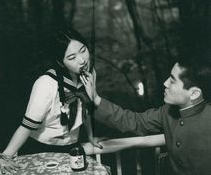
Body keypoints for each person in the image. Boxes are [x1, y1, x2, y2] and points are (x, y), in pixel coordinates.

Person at [80, 55, 211, 175]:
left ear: (194, 93)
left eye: (172, 80)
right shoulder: (167, 112)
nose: (165, 83)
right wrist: (95, 98)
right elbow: (132, 121)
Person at [0, 27, 102, 174]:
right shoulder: (46, 83)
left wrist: (90, 135)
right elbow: (27, 125)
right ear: (60, 62)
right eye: (71, 57)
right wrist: (6, 155)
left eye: (83, 50)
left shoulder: (90, 74)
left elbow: (86, 107)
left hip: (72, 147)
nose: (82, 60)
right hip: (40, 148)